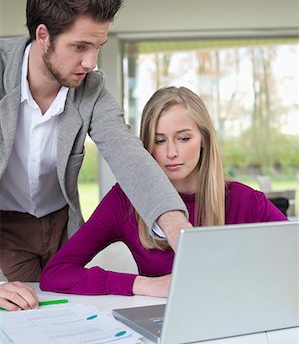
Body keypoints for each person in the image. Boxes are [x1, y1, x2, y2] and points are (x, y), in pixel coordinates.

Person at [0, 0, 191, 309]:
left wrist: (174, 222)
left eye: (98, 47)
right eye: (79, 47)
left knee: (67, 310)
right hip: (7, 226)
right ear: (43, 35)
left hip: (61, 223)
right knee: (21, 313)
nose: (91, 63)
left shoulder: (91, 88)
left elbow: (127, 152)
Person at [40, 86, 287, 298]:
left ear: (204, 140)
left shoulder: (244, 200)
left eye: (183, 138)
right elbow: (56, 273)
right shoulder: (124, 200)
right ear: (146, 146)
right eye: (159, 141)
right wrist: (146, 285)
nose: (171, 153)